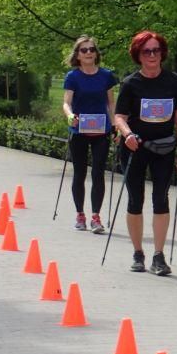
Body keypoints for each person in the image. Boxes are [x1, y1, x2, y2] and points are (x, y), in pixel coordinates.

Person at [113, 31, 177, 276]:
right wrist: (127, 134)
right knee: (135, 200)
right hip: (135, 148)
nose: (152, 55)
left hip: (164, 148)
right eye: (146, 51)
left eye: (156, 50)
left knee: (161, 198)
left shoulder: (173, 81)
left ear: (162, 53)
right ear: (138, 55)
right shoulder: (130, 83)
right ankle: (138, 253)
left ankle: (158, 255)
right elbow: (119, 117)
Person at [62, 36, 118, 234]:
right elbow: (66, 102)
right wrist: (70, 116)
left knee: (98, 173)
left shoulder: (106, 76)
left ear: (96, 53)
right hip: (79, 130)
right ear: (77, 55)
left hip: (101, 130)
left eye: (91, 49)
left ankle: (96, 216)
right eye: (84, 50)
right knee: (80, 173)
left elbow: (111, 103)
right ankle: (80, 215)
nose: (88, 53)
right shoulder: (73, 76)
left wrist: (115, 126)